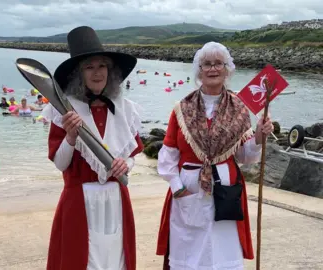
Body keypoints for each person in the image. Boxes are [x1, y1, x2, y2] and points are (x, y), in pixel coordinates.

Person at [155, 41, 274, 269]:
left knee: (222, 251)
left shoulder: (239, 108)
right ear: (199, 70)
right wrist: (177, 187)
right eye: (206, 64)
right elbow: (168, 154)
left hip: (226, 192)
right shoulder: (182, 108)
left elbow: (244, 156)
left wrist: (259, 136)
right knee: (188, 250)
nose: (212, 69)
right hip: (188, 188)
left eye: (218, 63)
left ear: (227, 69)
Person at [41, 26, 144, 270]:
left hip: (116, 197)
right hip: (79, 198)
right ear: (79, 73)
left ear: (111, 70)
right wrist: (70, 135)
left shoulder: (126, 108)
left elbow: (131, 157)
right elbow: (60, 163)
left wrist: (125, 164)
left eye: (102, 66)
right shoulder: (65, 109)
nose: (97, 73)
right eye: (89, 67)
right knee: (81, 260)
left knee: (116, 258)